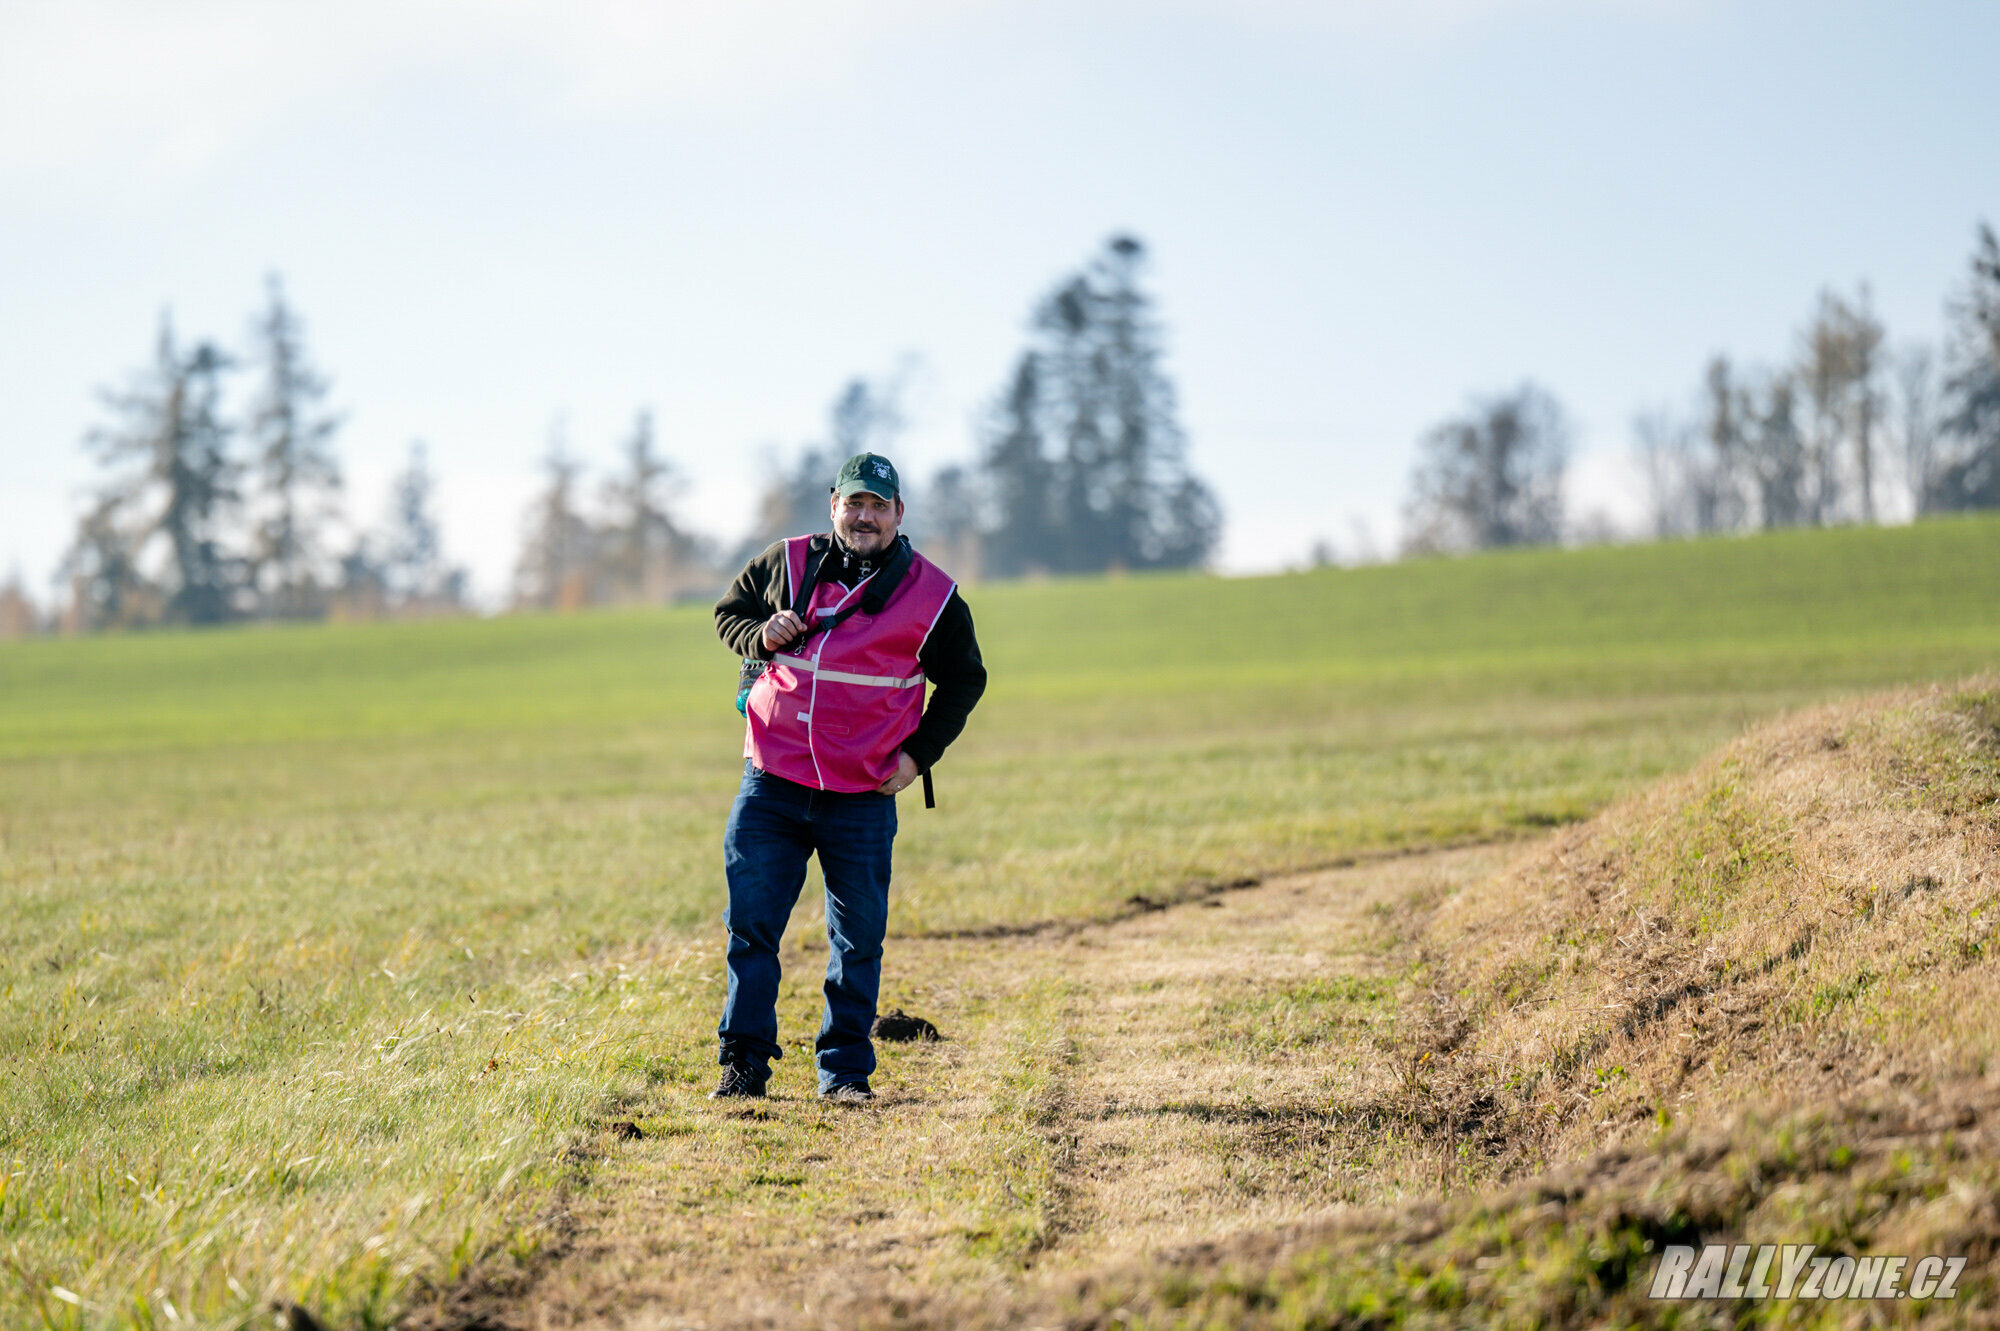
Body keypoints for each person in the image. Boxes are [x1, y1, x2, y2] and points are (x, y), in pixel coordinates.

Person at [709, 452, 987, 1102]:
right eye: (854, 502)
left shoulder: (933, 594)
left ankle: (844, 1074)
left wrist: (918, 757)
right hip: (771, 783)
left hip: (861, 795)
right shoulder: (787, 561)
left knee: (857, 940)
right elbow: (729, 614)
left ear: (898, 513)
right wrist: (759, 632)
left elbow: (966, 679)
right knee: (750, 925)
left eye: (878, 505)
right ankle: (743, 1065)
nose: (864, 515)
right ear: (833, 502)